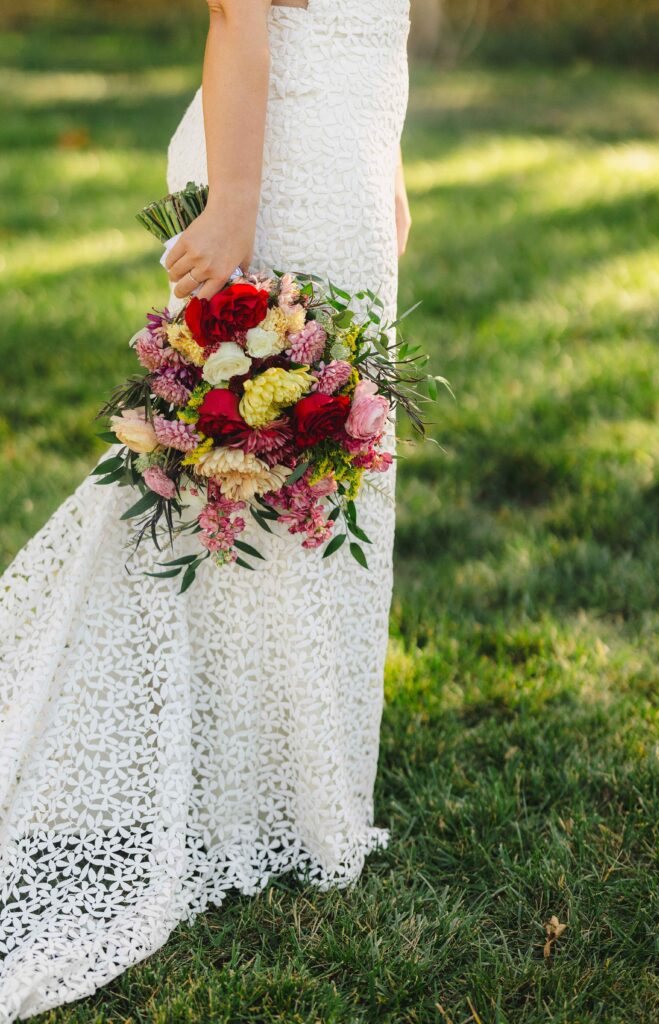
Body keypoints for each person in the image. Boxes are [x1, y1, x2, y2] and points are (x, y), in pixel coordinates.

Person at [0, 0, 411, 1018]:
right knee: (228, 473)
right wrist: (231, 203)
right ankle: (223, 780)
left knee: (308, 475)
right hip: (272, 160)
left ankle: (277, 782)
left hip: (342, 161)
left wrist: (389, 177)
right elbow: (239, 8)